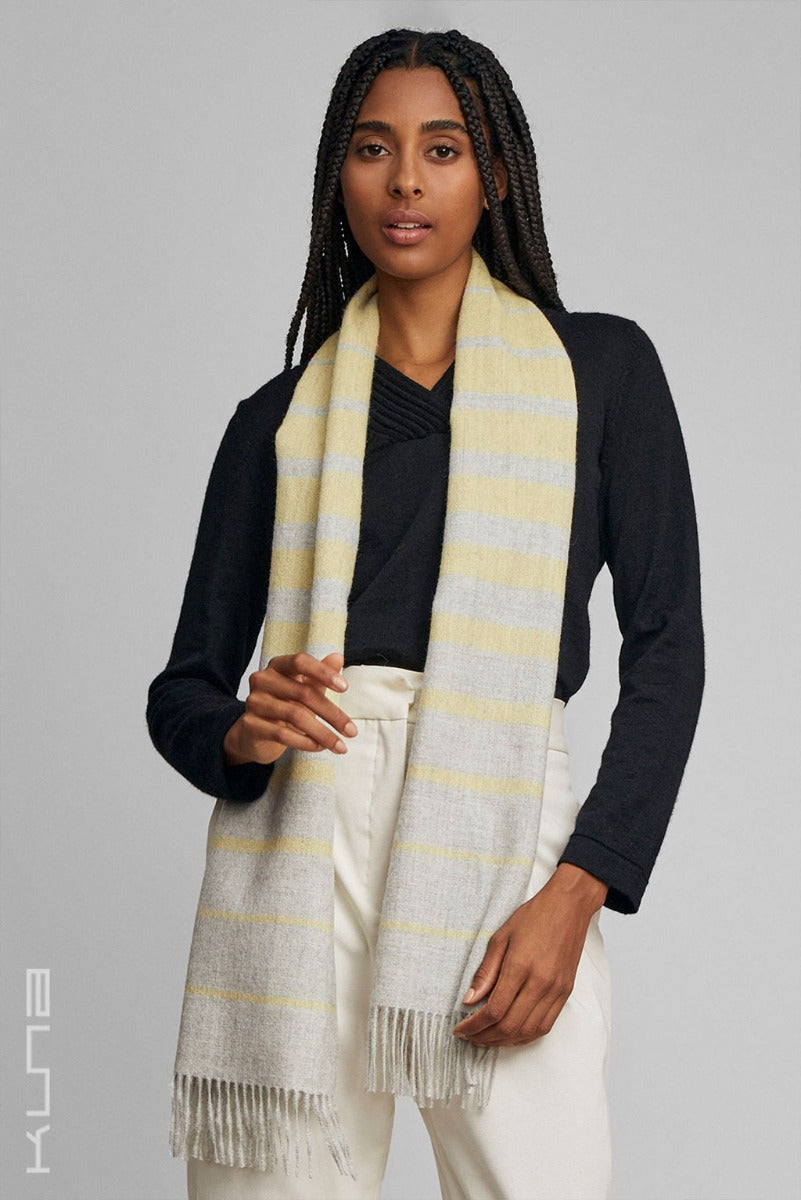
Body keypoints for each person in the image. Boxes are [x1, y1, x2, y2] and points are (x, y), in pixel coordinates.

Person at [146, 26, 705, 1200]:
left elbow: (670, 653)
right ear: (337, 176)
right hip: (302, 832)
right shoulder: (275, 422)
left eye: (442, 150)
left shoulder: (599, 373)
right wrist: (241, 731)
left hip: (501, 817)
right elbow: (184, 689)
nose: (405, 181)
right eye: (374, 148)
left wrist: (578, 889)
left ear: (492, 174)